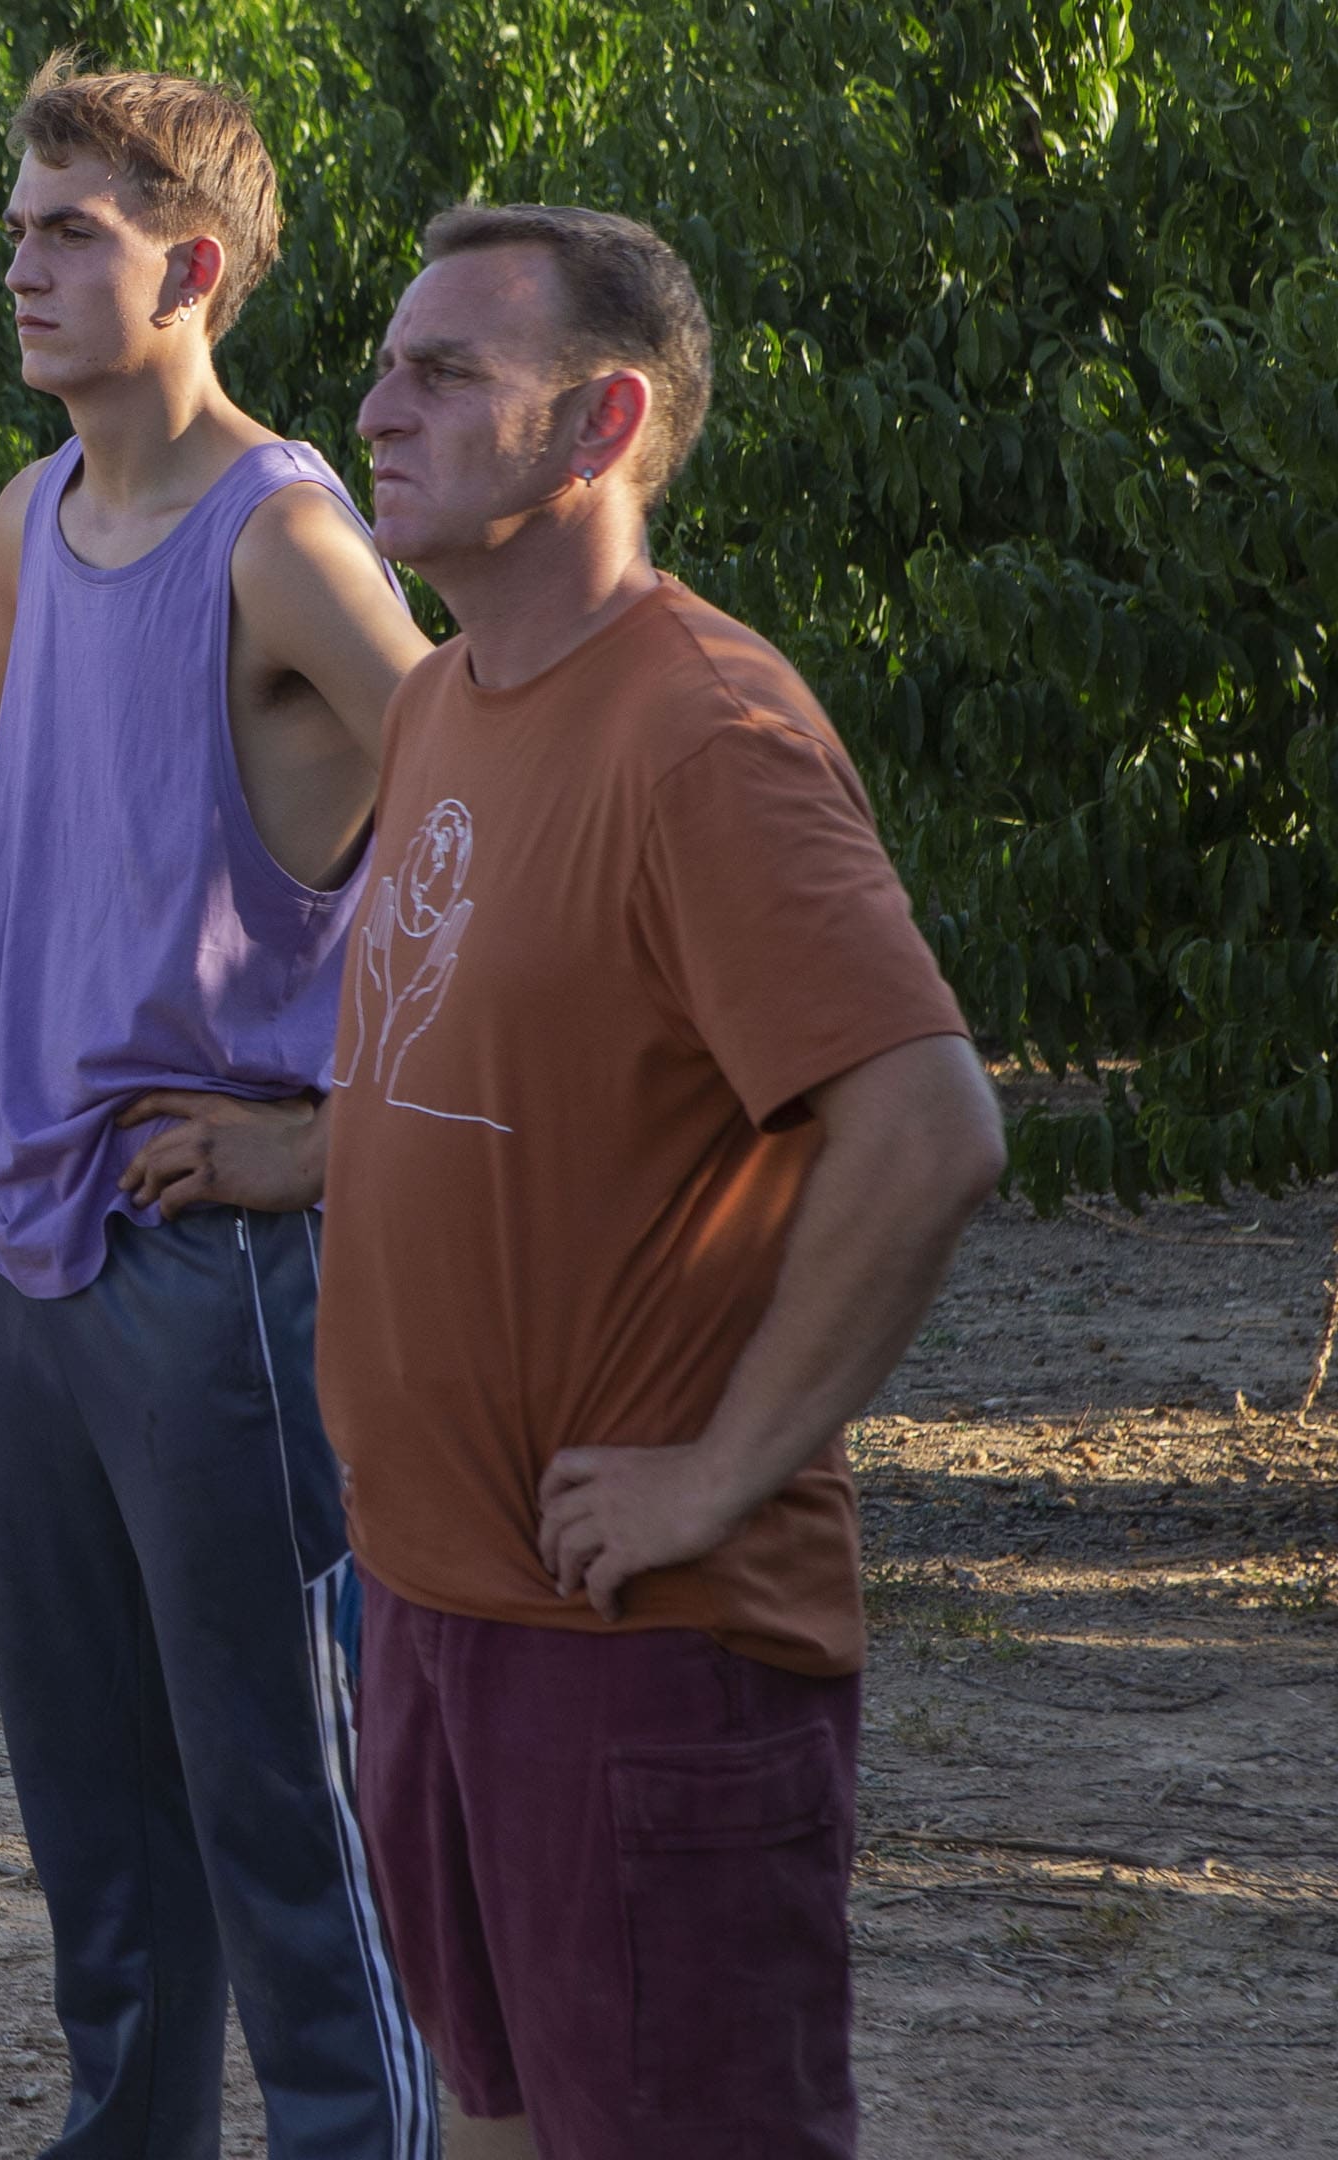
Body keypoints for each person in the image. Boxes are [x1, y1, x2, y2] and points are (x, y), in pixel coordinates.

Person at [334, 204, 1001, 2159]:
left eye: (445, 372)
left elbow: (929, 1127)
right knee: (494, 2120)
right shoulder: (438, 699)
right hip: (431, 1608)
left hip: (644, 1654)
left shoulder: (706, 733)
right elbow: (483, 1068)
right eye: (385, 362)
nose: (376, 409)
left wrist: (716, 1474)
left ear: (601, 422)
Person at [0, 62, 439, 2160]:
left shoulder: (286, 539)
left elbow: (498, 835)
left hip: (217, 1256)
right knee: (97, 1808)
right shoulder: (28, 511)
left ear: (193, 269)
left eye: (75, 233)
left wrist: (333, 1139)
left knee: (283, 1803)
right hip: (39, 1237)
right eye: (19, 227)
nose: (24, 267)